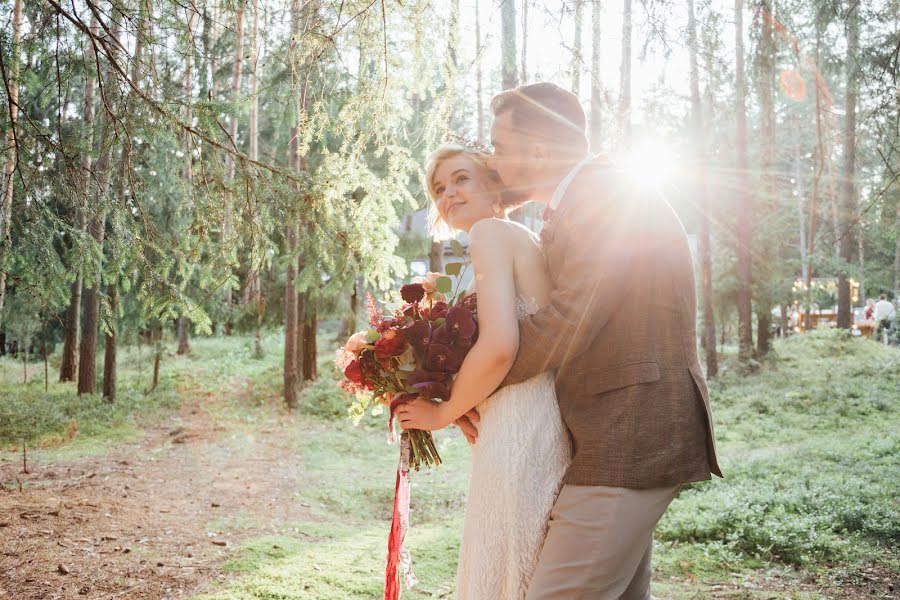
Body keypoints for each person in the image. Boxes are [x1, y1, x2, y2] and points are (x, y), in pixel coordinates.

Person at [400, 82, 721, 599]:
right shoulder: (574, 207)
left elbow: (566, 321)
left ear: (539, 151)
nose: (495, 162)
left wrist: (459, 392)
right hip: (600, 431)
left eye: (499, 147)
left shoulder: (608, 196)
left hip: (630, 431)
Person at [397, 143, 572, 599]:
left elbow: (499, 347)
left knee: (507, 564)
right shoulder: (516, 237)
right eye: (438, 188)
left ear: (493, 183)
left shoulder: (490, 234)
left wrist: (441, 411)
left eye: (461, 179)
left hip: (519, 422)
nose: (448, 193)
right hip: (529, 417)